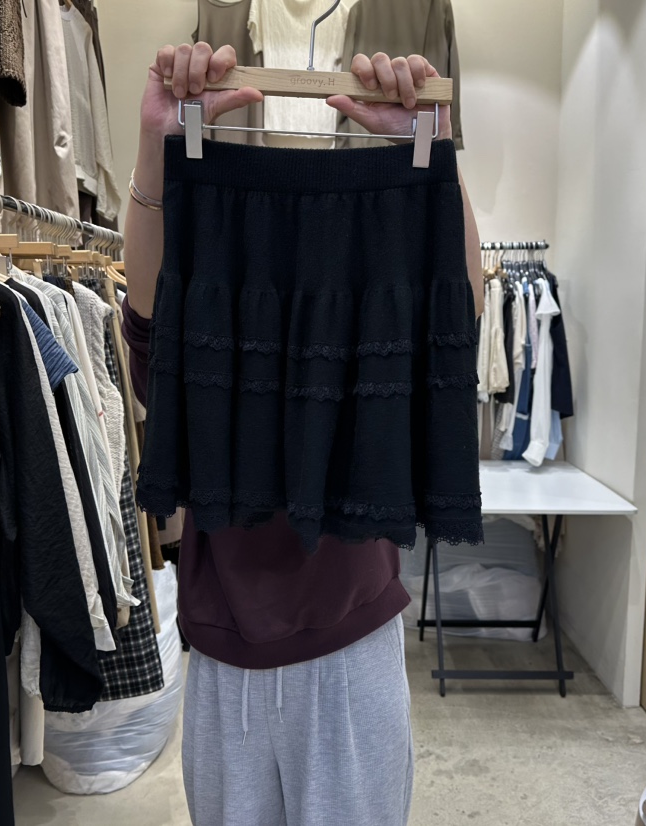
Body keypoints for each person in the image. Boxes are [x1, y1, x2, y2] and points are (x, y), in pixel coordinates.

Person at [122, 43, 482, 826]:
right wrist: (155, 149)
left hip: (351, 649)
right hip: (226, 655)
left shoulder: (373, 282)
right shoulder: (210, 284)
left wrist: (436, 157)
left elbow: (456, 318)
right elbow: (149, 335)